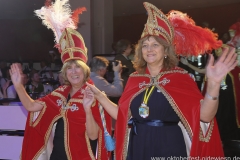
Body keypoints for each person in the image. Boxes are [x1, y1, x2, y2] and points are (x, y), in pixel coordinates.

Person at [85, 2, 238, 160]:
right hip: (139, 144)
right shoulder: (135, 79)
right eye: (145, 45)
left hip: (169, 145)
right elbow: (122, 114)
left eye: (155, 45)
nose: (149, 49)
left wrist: (213, 85)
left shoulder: (180, 77)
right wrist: (99, 95)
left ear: (166, 50)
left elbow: (205, 116)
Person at [10, 1, 111, 159]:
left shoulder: (93, 94)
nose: (73, 72)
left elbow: (93, 136)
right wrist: (18, 86)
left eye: (77, 67)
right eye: (68, 68)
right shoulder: (59, 94)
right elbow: (31, 106)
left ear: (85, 70)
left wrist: (86, 110)